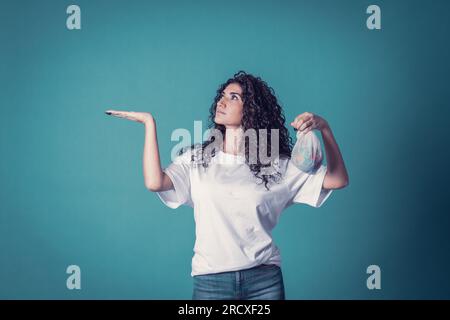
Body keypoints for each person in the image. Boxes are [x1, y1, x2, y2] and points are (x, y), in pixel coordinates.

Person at [105, 71, 349, 300]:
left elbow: (338, 180)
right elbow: (154, 182)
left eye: (233, 97)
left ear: (252, 109)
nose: (221, 102)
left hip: (264, 281)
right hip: (211, 280)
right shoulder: (197, 159)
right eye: (222, 96)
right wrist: (149, 124)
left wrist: (324, 128)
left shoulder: (275, 164)